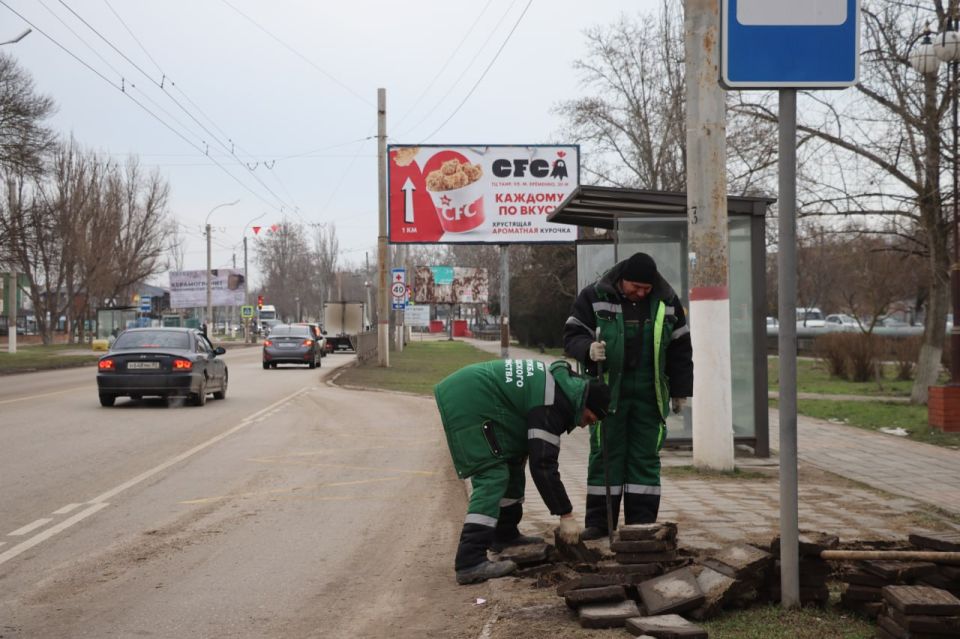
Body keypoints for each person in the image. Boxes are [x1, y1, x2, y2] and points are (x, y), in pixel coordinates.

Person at [434, 359, 612, 585]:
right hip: (470, 400)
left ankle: (505, 535)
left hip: (480, 394)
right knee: (492, 476)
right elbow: (544, 465)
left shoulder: (564, 388)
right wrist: (565, 514)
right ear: (584, 403)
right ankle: (469, 561)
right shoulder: (552, 405)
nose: (585, 425)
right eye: (588, 418)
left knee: (513, 462)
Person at [563, 252, 693, 539]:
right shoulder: (593, 296)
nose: (641, 293)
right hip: (607, 394)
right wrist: (588, 349)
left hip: (649, 394)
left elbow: (681, 348)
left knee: (645, 458)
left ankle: (641, 525)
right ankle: (599, 524)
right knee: (606, 456)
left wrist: (682, 391)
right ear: (622, 280)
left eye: (646, 289)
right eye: (635, 287)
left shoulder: (667, 302)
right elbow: (572, 335)